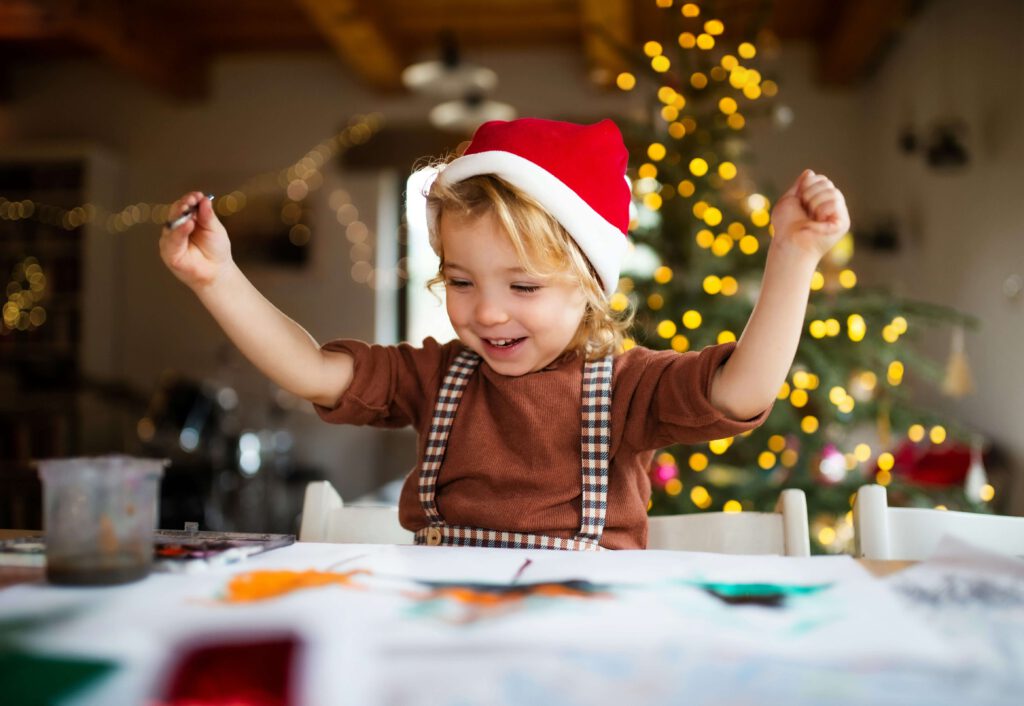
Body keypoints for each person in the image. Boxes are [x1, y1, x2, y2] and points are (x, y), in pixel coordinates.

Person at [160, 117, 850, 550]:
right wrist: (217, 279)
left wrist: (792, 256)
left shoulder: (629, 387)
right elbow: (312, 370)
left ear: (590, 287)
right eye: (461, 282)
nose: (487, 313)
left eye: (523, 287)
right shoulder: (435, 377)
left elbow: (741, 392)